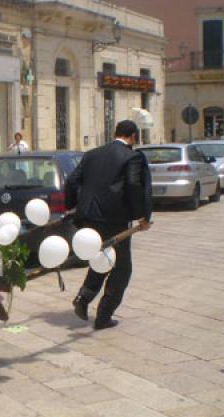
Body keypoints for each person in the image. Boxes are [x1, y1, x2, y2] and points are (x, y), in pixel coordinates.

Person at [63, 120, 152, 330]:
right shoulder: (132, 156)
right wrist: (142, 215)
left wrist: (72, 206)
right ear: (132, 137)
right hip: (114, 219)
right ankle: (104, 315)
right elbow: (133, 185)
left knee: (102, 258)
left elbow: (71, 182)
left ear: (115, 133)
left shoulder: (92, 154)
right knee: (122, 269)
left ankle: (83, 298)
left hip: (88, 218)